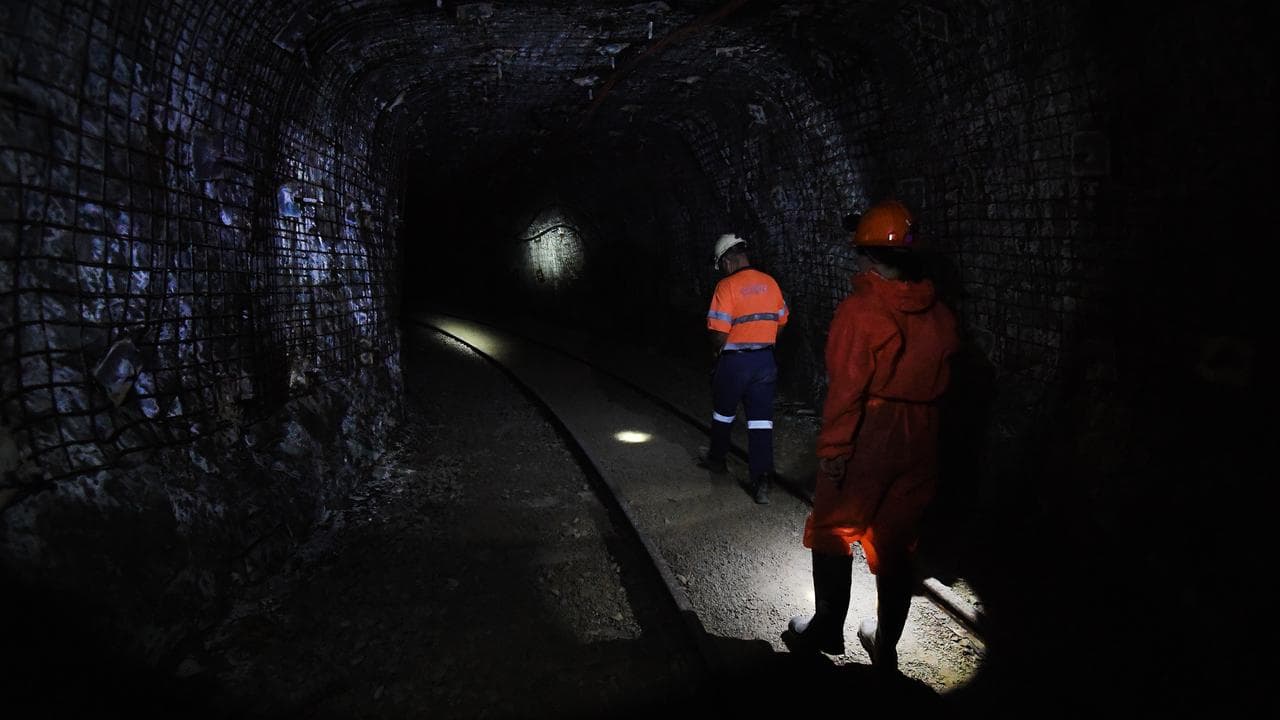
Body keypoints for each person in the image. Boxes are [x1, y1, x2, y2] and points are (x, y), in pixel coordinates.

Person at [786, 200, 959, 671]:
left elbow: (848, 387)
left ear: (866, 256)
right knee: (897, 539)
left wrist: (835, 447)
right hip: (923, 433)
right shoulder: (939, 314)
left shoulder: (861, 311)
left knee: (833, 530)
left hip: (872, 429)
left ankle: (826, 629)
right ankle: (884, 642)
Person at [698, 233, 789, 504]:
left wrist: (718, 353)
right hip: (764, 361)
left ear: (727, 260)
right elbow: (782, 321)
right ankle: (762, 480)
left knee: (723, 414)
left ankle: (716, 459)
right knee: (761, 421)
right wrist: (764, 340)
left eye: (720, 265)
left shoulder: (726, 287)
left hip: (735, 361)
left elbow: (718, 331)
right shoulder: (770, 283)